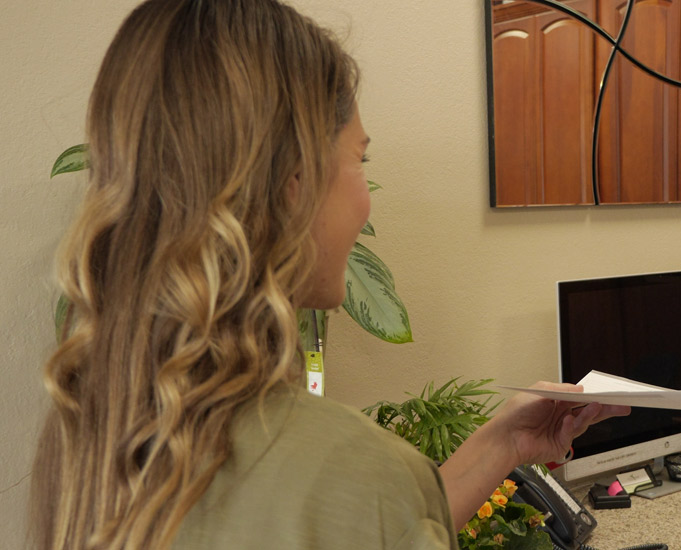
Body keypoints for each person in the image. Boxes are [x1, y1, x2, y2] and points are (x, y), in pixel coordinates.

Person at [28, 1, 628, 548]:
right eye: (358, 160)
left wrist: (504, 445)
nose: (366, 200)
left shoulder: (87, 428)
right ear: (294, 183)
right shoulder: (356, 472)